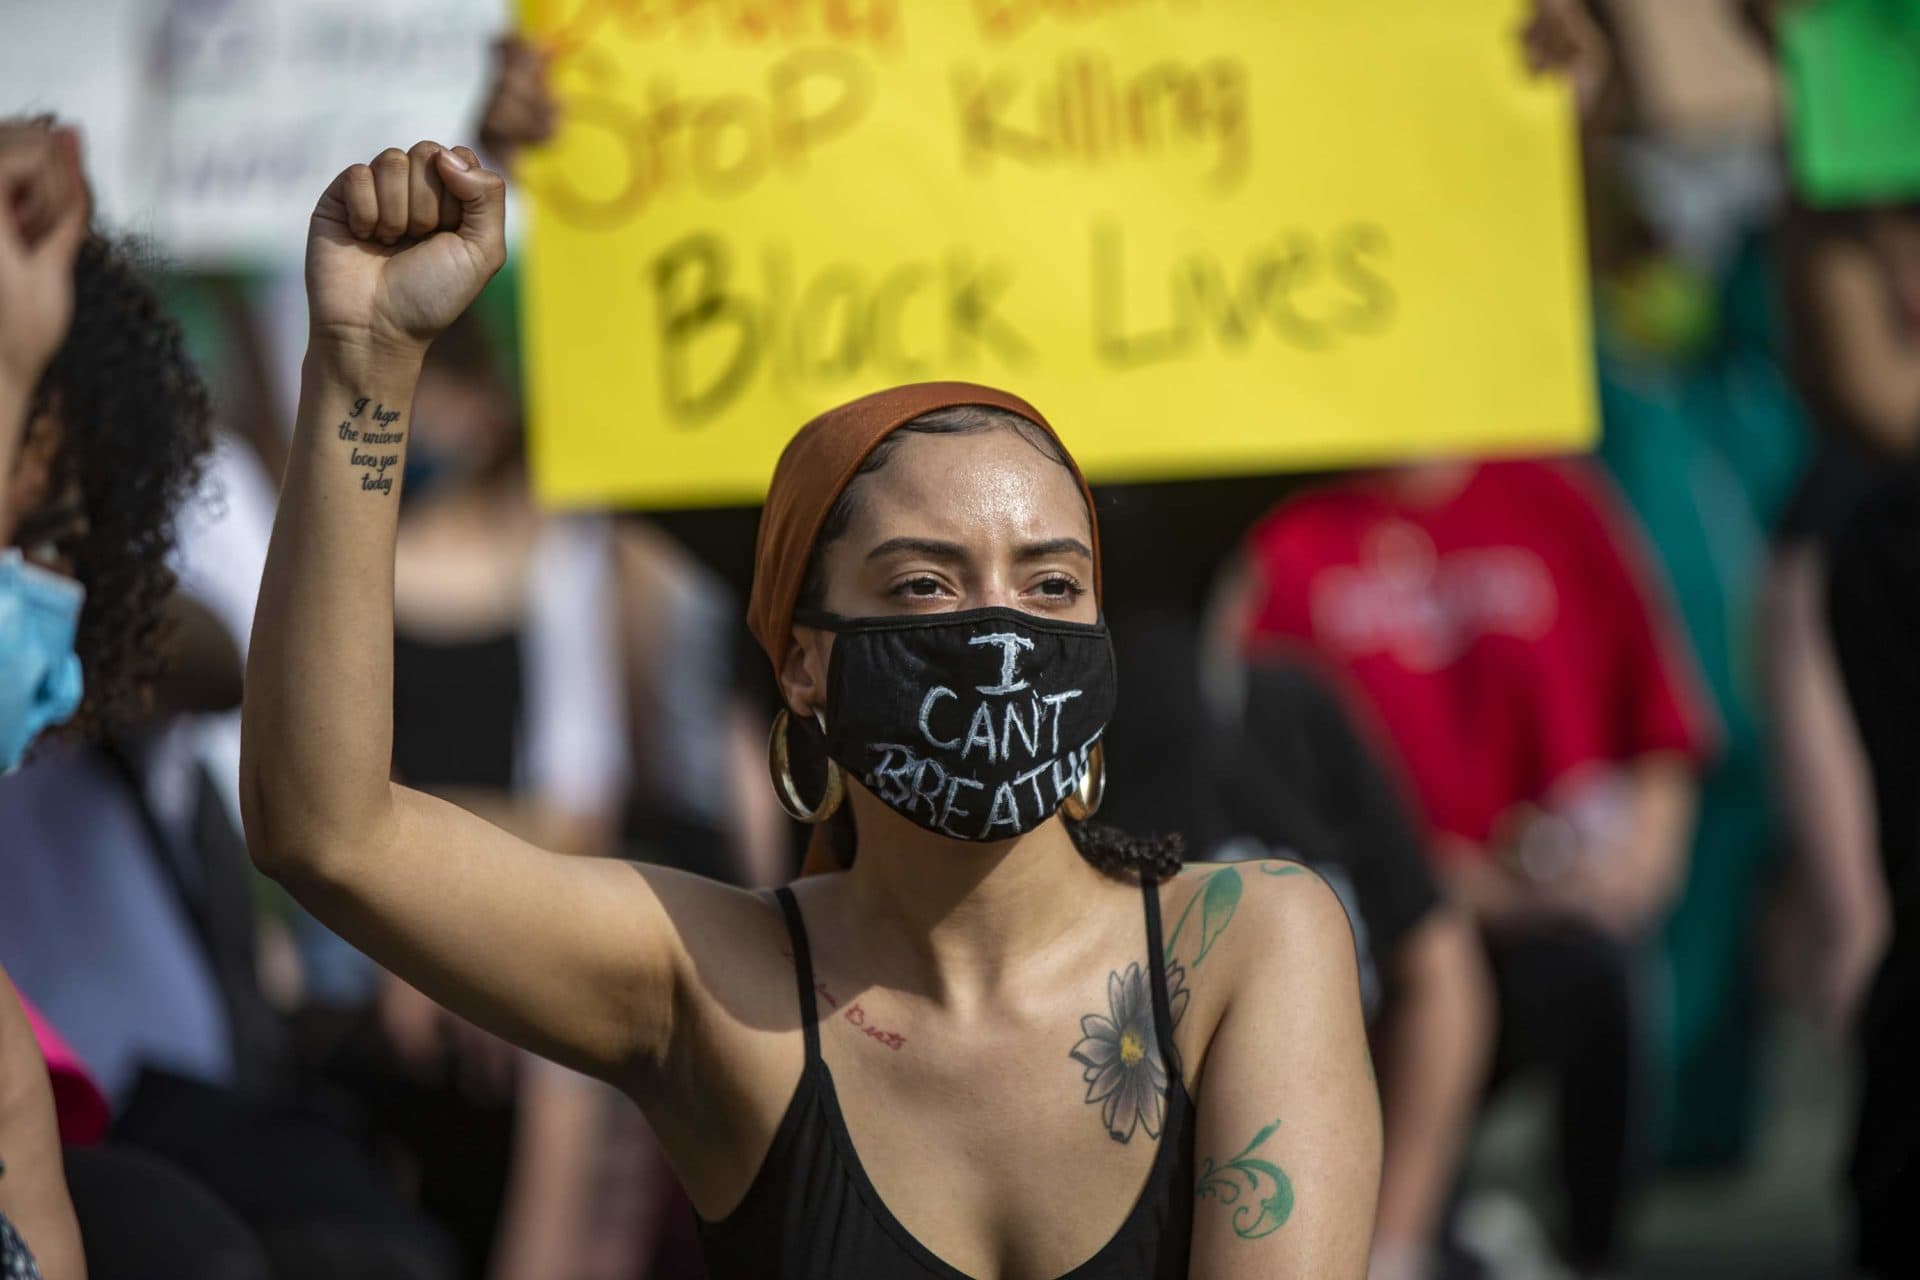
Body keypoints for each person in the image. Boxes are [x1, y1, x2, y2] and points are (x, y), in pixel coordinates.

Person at [242, 138, 1381, 1277]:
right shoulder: (711, 985)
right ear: (801, 665)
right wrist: (365, 362)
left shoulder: (1250, 942)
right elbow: (327, 830)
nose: (999, 634)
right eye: (925, 584)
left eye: (1051, 585)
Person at [1229, 453, 1713, 1279]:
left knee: (1596, 984)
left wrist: (1632, 868)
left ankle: (1582, 1244)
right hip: (1373, 926)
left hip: (1554, 914)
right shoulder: (1282, 525)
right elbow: (1248, 774)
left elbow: (1660, 726)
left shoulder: (1553, 494)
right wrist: (1455, 884)